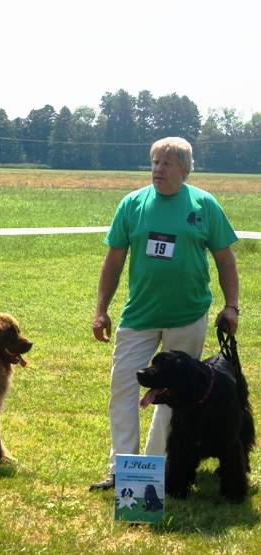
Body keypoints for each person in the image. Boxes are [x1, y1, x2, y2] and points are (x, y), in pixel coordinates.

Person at [89, 136, 240, 491]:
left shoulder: (204, 205)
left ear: (184, 170)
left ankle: (153, 469)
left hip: (188, 316)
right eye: (155, 162)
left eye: (167, 163)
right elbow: (113, 261)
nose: (158, 169)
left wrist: (231, 305)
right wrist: (101, 310)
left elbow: (225, 260)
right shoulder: (132, 205)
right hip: (138, 316)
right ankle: (121, 469)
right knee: (123, 389)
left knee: (173, 397)